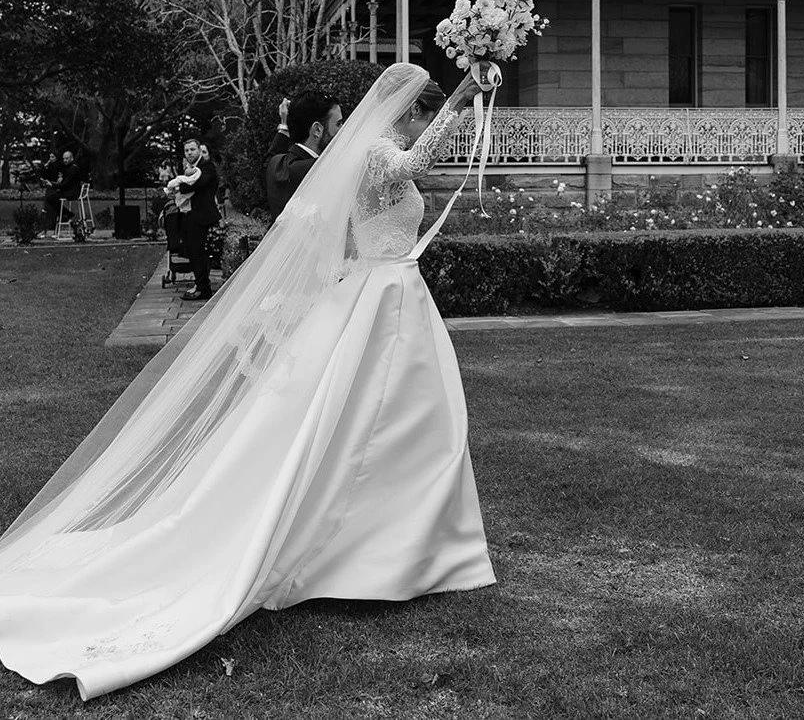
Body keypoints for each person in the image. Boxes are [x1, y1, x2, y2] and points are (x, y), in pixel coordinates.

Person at [0, 63, 493, 700]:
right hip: (383, 295)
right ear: (408, 110)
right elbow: (414, 166)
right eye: (421, 110)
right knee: (374, 417)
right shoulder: (376, 152)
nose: (346, 121)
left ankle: (410, 542)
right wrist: (466, 95)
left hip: (393, 291)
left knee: (407, 419)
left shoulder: (373, 150)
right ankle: (384, 548)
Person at [265, 90, 343, 220]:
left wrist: (284, 125)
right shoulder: (324, 169)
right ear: (317, 129)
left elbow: (270, 157)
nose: (344, 130)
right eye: (338, 124)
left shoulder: (275, 164)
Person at [176, 138, 219, 301]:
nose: (189, 153)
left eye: (192, 150)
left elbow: (193, 185)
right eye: (186, 150)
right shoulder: (192, 168)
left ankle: (203, 289)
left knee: (197, 252)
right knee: (192, 252)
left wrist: (182, 185)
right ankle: (199, 284)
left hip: (201, 216)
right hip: (190, 215)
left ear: (199, 151)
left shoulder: (206, 167)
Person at [42, 150, 83, 234]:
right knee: (51, 197)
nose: (65, 160)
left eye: (67, 158)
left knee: (51, 198)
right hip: (68, 190)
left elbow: (65, 184)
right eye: (64, 159)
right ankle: (65, 215)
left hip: (72, 192)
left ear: (72, 158)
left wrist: (53, 185)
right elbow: (64, 183)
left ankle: (65, 214)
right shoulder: (68, 168)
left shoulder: (73, 169)